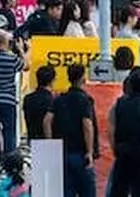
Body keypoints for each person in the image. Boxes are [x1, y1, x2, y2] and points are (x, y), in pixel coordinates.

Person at [45, 64, 98, 197]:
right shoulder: (85, 100)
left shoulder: (59, 99)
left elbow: (46, 121)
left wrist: (51, 144)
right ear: (83, 79)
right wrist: (90, 151)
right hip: (80, 153)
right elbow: (87, 125)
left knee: (67, 191)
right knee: (87, 191)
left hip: (63, 152)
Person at [108, 69, 140, 197]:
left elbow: (111, 130)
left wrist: (115, 149)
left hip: (123, 154)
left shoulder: (119, 104)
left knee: (120, 190)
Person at [0, 28, 29, 154]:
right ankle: (9, 159)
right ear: (6, 42)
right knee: (9, 132)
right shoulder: (11, 59)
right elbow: (26, 66)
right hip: (7, 99)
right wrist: (20, 49)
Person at [22, 65, 56, 141]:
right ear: (52, 81)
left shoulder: (28, 99)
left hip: (32, 140)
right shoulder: (53, 100)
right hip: (49, 141)